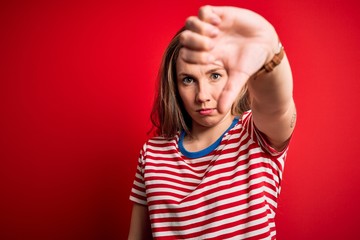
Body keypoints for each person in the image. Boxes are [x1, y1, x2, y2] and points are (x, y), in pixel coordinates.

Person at [128, 5, 296, 240]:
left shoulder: (255, 134)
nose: (202, 95)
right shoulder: (152, 154)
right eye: (188, 80)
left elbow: (277, 106)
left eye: (215, 75)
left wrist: (271, 54)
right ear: (175, 86)